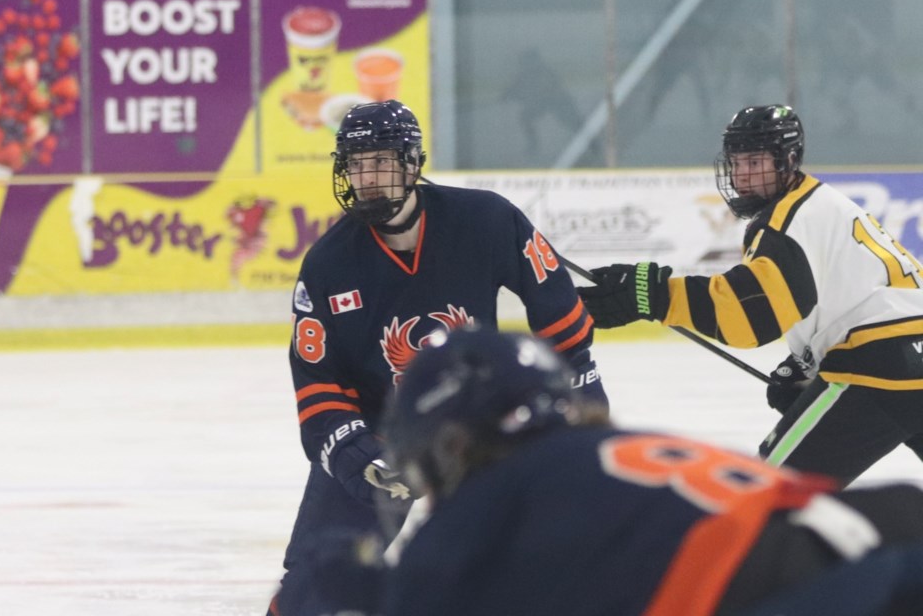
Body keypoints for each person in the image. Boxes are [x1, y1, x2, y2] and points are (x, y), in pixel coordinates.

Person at [266, 99, 605, 615]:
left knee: (551, 563)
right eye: (356, 165)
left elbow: (557, 309)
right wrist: (358, 456)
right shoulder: (329, 263)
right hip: (383, 433)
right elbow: (317, 379)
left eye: (379, 161)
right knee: (311, 588)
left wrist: (577, 397)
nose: (367, 178)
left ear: (411, 163)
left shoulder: (485, 219)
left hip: (483, 427)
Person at [381, 326, 923, 616]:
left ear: (453, 443)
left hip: (816, 591)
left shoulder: (494, 499)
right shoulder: (608, 448)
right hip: (890, 527)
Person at [576, 104, 923, 487]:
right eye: (737, 163)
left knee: (768, 494)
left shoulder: (784, 222)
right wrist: (806, 366)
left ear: (788, 160)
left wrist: (655, 296)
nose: (742, 175)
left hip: (879, 365)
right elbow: (859, 295)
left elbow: (751, 314)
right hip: (906, 355)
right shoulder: (823, 205)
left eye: (755, 162)